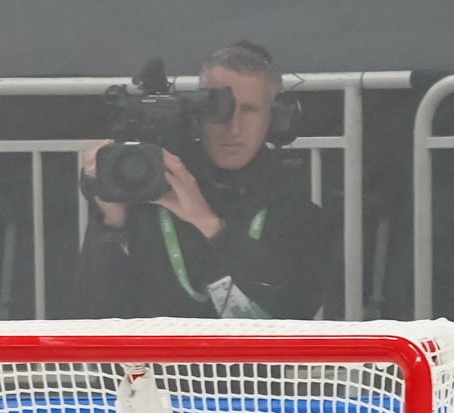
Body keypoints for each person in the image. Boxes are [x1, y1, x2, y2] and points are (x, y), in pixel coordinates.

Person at [74, 41, 331, 320]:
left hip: (251, 365)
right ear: (197, 115)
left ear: (277, 118)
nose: (233, 128)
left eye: (249, 110)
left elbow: (297, 308)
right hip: (156, 363)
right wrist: (112, 225)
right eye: (219, 109)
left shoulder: (293, 207)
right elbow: (94, 316)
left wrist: (210, 225)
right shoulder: (150, 193)